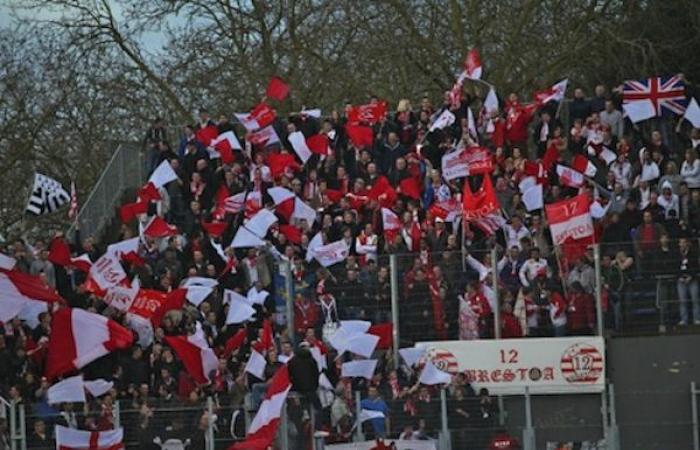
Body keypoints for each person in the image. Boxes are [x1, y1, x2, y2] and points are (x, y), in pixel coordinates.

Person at [676, 238, 700, 326]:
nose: (682, 244)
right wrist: (679, 277)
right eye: (680, 243)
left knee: (695, 300)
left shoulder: (693, 254)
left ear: (687, 243)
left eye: (683, 242)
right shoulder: (676, 255)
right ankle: (684, 319)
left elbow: (696, 267)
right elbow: (674, 267)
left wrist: (691, 276)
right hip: (681, 280)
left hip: (692, 279)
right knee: (682, 301)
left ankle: (697, 319)